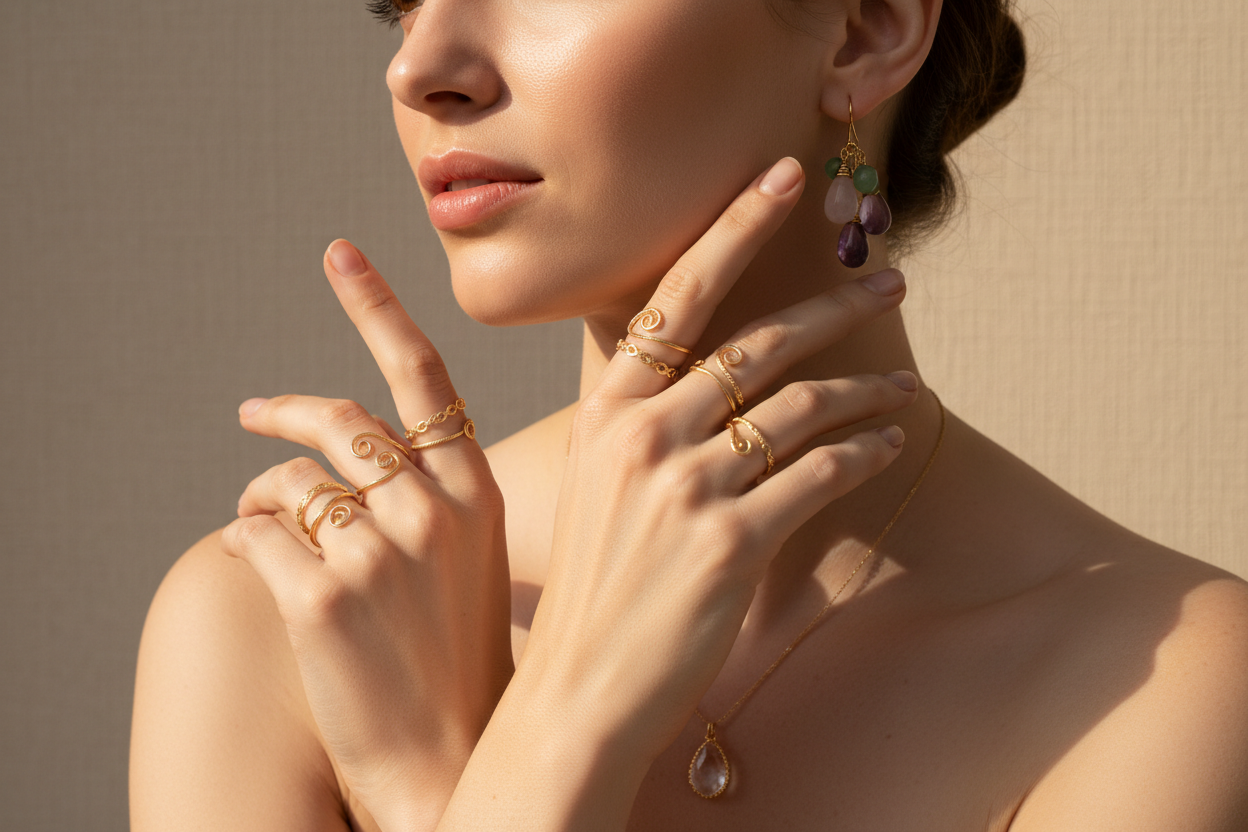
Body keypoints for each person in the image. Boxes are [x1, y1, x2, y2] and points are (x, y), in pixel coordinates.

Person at [129, 0, 1248, 828]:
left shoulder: (1168, 679)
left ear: (864, 29)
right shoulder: (282, 615)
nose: (421, 66)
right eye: (402, 2)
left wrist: (454, 785)